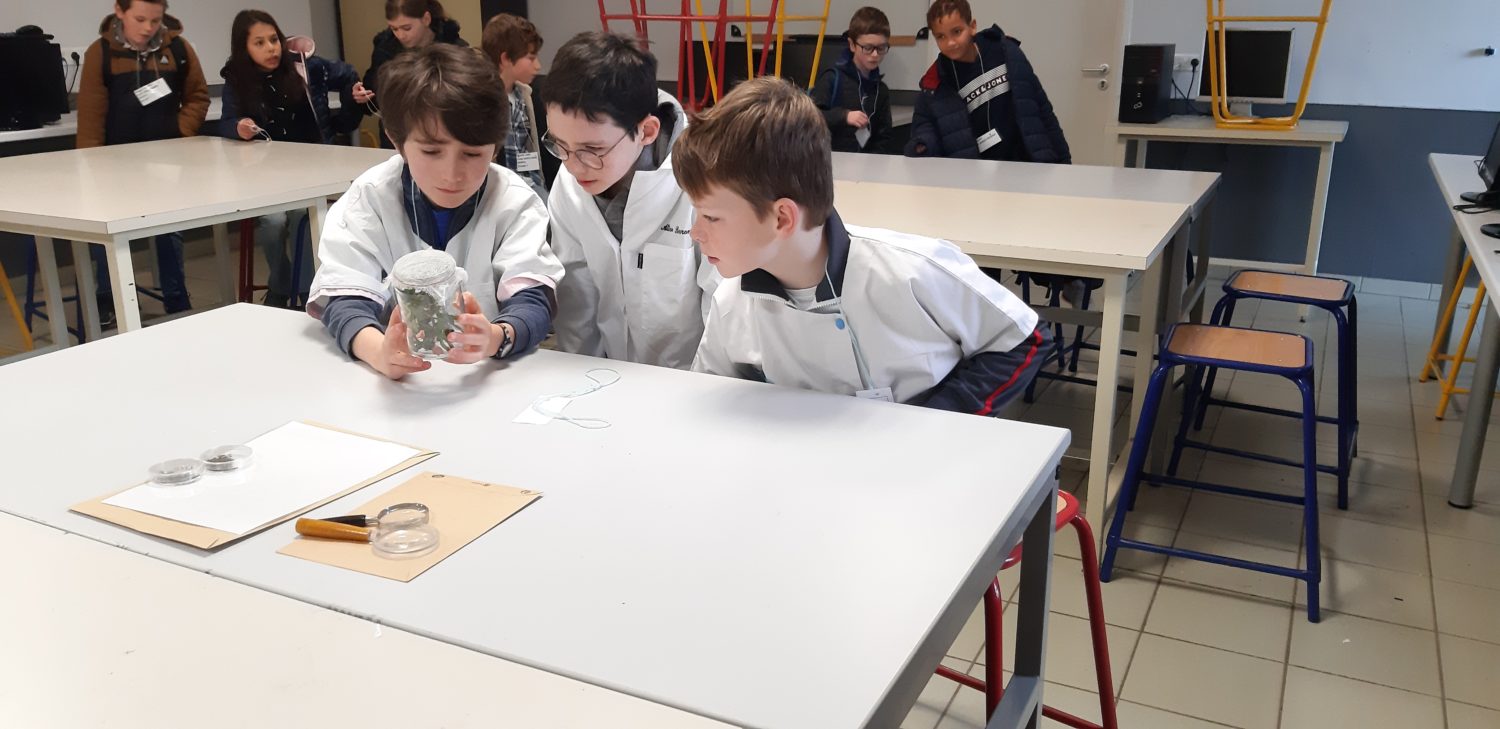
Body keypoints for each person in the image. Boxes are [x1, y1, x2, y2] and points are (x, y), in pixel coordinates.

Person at [676, 77, 1050, 416]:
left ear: (782, 219)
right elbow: (712, 397)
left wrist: (939, 419)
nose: (695, 232)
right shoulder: (732, 300)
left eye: (710, 217)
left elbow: (1024, 337)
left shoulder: (911, 271)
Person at [306, 44, 563, 381]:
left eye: (472, 154)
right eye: (430, 151)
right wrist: (379, 351)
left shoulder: (514, 202)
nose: (451, 174)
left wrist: (496, 337)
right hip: (390, 384)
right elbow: (346, 298)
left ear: (495, 147)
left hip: (487, 382)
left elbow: (533, 299)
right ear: (397, 142)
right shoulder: (369, 199)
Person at [542, 32, 717, 370]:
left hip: (692, 386)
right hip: (610, 382)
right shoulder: (569, 182)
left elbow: (721, 307)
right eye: (560, 146)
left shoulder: (705, 183)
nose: (574, 166)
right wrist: (580, 385)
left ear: (647, 132)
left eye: (593, 151)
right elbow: (578, 304)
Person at [77, 0, 208, 326]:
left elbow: (197, 96)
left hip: (166, 160)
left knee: (169, 229)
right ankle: (108, 299)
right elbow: (91, 114)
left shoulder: (178, 48)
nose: (148, 27)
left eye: (155, 19)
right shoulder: (100, 52)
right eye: (139, 19)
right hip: (113, 163)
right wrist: (89, 165)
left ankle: (176, 298)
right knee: (105, 233)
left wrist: (181, 130)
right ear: (119, 12)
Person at [220, 9, 362, 309]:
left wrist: (352, 101)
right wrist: (238, 127)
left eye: (274, 39)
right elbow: (227, 120)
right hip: (266, 175)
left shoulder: (302, 67)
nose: (271, 48)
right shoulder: (237, 79)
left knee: (302, 216)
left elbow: (348, 75)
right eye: (259, 43)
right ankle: (282, 284)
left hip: (311, 169)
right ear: (243, 47)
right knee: (272, 222)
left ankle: (307, 290)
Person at [905, 0, 1069, 163]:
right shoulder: (935, 83)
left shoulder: (1007, 53)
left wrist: (1063, 162)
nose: (950, 43)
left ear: (972, 26)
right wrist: (923, 144)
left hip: (1027, 164)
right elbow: (924, 126)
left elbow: (1042, 109)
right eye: (941, 36)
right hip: (975, 175)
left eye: (957, 31)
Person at [357, 0, 467, 149]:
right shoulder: (385, 49)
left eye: (406, 28)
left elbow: (464, 97)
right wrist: (362, 96)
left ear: (426, 19)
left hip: (442, 132)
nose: (400, 35)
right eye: (394, 29)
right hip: (397, 136)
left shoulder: (454, 48)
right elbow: (374, 92)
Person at [810, 6, 894, 154]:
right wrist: (844, 116)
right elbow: (809, 118)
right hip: (828, 164)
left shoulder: (881, 90)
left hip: (866, 168)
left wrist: (872, 162)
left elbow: (884, 136)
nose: (875, 55)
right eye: (868, 47)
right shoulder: (832, 79)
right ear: (852, 45)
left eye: (881, 48)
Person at [480, 13, 547, 201]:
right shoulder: (484, 101)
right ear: (506, 59)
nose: (538, 66)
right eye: (531, 58)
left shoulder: (523, 94)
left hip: (531, 186)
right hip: (504, 194)